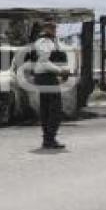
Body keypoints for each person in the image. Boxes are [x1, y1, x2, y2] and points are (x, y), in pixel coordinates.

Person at [32, 21, 69, 150]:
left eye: (54, 28)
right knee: (54, 110)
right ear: (46, 29)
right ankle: (49, 139)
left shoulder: (49, 41)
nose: (55, 30)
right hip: (46, 77)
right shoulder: (45, 42)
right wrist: (61, 71)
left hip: (44, 77)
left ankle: (48, 139)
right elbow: (44, 62)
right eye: (52, 28)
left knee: (47, 109)